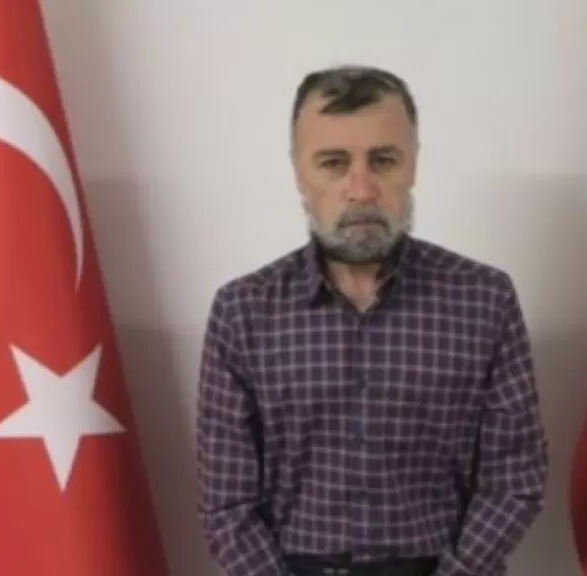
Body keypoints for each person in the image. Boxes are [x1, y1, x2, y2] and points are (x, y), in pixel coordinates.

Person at [195, 64, 549, 576]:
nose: (361, 189)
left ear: (413, 165)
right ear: (299, 174)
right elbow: (227, 504)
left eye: (383, 160)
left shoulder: (484, 299)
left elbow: (514, 478)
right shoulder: (243, 312)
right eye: (333, 162)